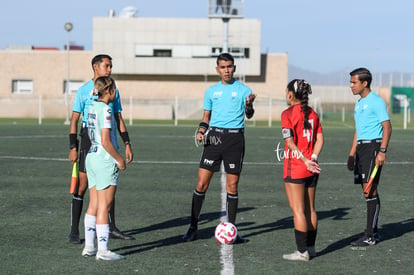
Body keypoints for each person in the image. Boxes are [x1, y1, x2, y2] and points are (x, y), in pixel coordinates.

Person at [182, 53, 256, 244]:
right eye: (223, 67)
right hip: (213, 137)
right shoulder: (211, 91)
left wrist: (249, 106)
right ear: (217, 69)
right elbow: (206, 116)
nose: (227, 70)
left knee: (232, 186)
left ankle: (232, 230)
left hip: (234, 139)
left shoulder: (244, 90)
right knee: (201, 184)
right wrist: (200, 130)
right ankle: (193, 227)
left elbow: (249, 114)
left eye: (229, 66)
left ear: (234, 68)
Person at [68, 54, 134, 244]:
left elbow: (118, 118)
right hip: (90, 142)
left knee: (107, 185)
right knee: (83, 186)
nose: (110, 69)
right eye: (107, 66)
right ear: (96, 67)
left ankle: (111, 228)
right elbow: (74, 120)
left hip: (109, 141)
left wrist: (127, 143)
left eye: (111, 66)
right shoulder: (83, 91)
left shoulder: (113, 90)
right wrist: (73, 146)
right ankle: (74, 231)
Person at [81, 76, 126, 260]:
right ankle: (103, 250)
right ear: (109, 90)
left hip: (91, 156)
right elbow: (106, 140)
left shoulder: (91, 106)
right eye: (114, 88)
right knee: (104, 206)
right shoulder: (106, 109)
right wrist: (119, 159)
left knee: (93, 204)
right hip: (104, 159)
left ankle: (89, 247)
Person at [347, 68, 392, 247]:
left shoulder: (376, 102)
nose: (351, 85)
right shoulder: (359, 103)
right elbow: (358, 130)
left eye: (354, 82)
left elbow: (387, 127)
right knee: (368, 191)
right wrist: (351, 154)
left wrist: (382, 151)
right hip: (361, 149)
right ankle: (373, 232)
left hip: (373, 147)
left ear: (364, 83)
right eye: (350, 82)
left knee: (369, 190)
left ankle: (370, 235)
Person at [281, 79, 323, 261]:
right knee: (310, 209)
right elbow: (320, 139)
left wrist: (305, 160)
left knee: (298, 210)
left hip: (296, 167)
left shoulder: (287, 113)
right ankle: (311, 248)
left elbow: (290, 143)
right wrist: (312, 158)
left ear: (291, 94)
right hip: (312, 168)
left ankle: (301, 252)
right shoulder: (313, 113)